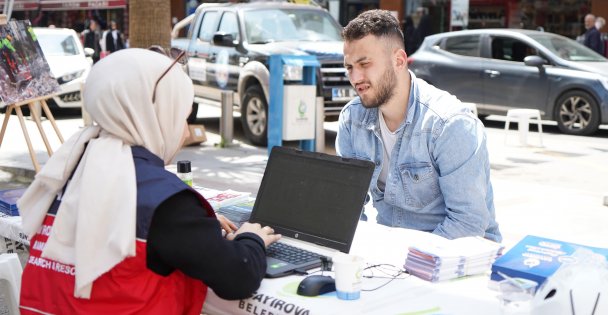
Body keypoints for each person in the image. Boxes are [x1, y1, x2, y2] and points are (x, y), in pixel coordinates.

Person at [18, 48, 281, 314]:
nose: (186, 131)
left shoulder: (67, 167)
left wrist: (197, 228)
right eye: (180, 116)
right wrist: (251, 238)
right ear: (154, 114)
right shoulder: (164, 200)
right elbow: (238, 276)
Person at [337, 10, 501, 242]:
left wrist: (406, 263)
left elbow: (468, 224)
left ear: (399, 61)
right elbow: (348, 209)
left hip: (460, 259)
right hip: (391, 257)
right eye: (350, 67)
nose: (355, 77)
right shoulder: (352, 120)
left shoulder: (449, 123)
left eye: (364, 64)